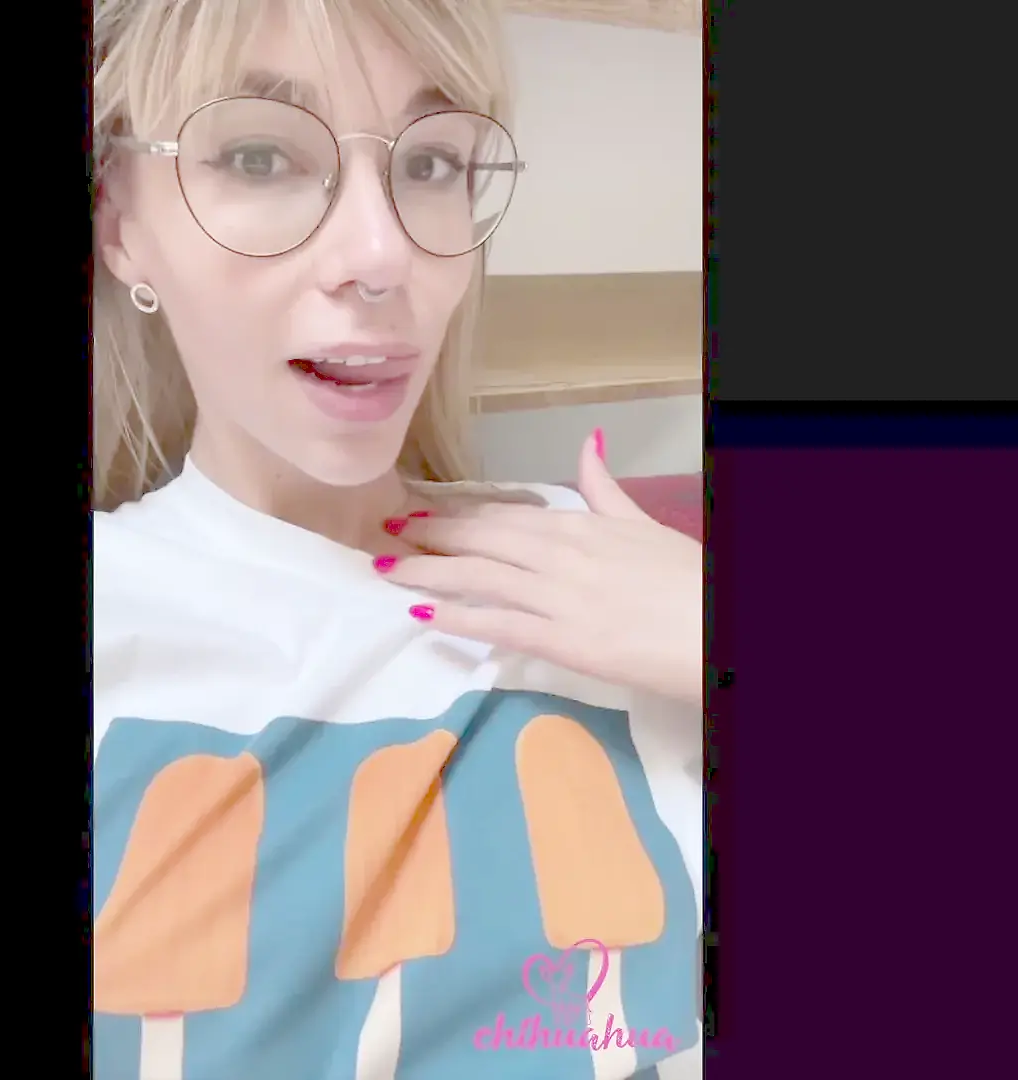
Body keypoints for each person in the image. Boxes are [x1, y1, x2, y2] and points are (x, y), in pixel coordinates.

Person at [88, 1, 706, 1077]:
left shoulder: (615, 565)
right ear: (120, 226)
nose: (384, 258)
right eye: (260, 157)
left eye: (430, 164)